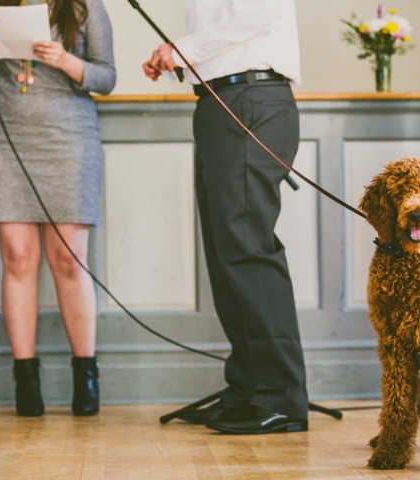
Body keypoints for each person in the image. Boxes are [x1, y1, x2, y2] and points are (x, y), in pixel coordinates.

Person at [143, 0, 309, 434]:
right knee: (226, 252)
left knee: (248, 248)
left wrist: (178, 51)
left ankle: (281, 395)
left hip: (252, 98)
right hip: (220, 101)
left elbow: (253, 13)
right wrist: (177, 55)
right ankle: (249, 388)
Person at [0, 0, 115, 417]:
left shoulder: (86, 8)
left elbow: (107, 77)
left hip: (68, 141)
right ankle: (25, 379)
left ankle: (86, 374)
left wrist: (66, 60)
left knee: (69, 261)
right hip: (3, 139)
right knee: (18, 259)